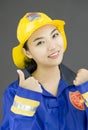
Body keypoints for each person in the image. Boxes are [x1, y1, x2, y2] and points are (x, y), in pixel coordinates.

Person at [1, 12, 88, 130]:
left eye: (54, 35)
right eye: (40, 42)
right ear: (28, 52)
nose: (52, 46)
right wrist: (27, 98)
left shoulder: (81, 86)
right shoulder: (15, 93)